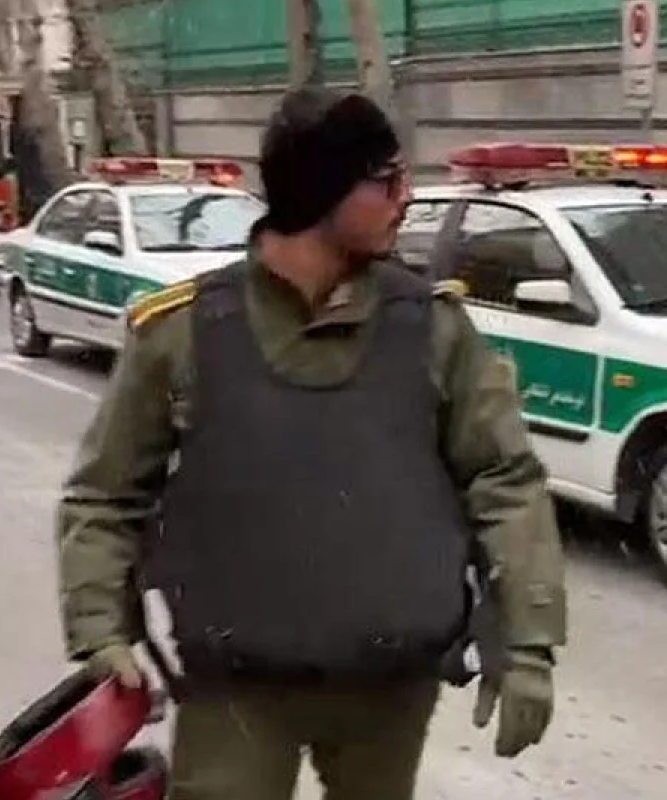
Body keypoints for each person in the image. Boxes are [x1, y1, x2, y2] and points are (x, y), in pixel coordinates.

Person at [55, 86, 567, 800]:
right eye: (387, 180)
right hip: (236, 687)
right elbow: (106, 495)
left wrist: (529, 643)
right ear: (324, 190)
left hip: (388, 688)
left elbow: (505, 482)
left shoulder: (433, 329)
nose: (405, 198)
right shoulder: (185, 333)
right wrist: (101, 629)